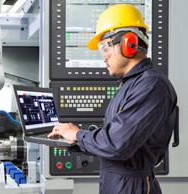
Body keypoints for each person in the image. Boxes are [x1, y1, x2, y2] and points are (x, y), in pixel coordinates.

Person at [48, 4, 177, 194]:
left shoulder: (151, 85)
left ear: (129, 43)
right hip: (116, 182)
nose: (104, 58)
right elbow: (114, 138)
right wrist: (76, 140)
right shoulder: (130, 84)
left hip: (133, 186)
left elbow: (117, 144)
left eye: (105, 48)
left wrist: (78, 134)